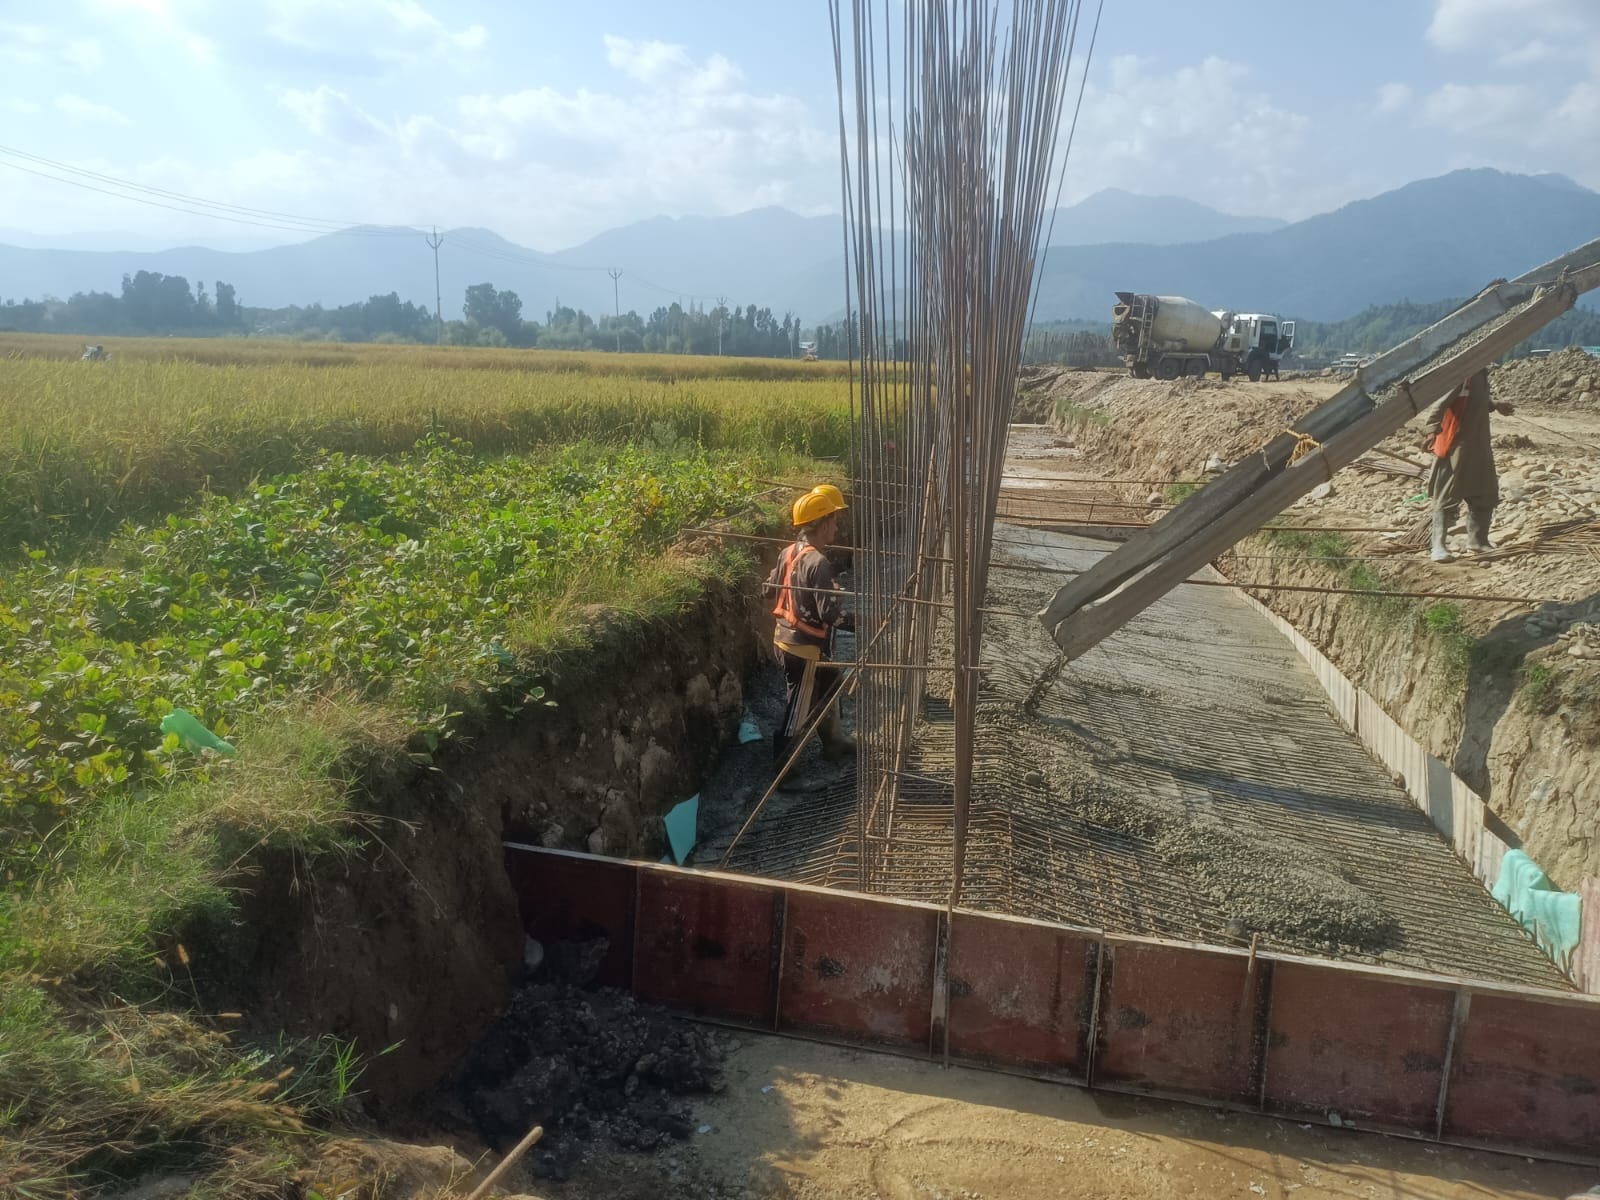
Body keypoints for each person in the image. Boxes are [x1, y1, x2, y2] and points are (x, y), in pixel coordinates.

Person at [763, 485, 856, 766]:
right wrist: (864, 622)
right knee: (797, 710)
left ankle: (834, 743)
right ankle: (784, 770)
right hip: (801, 649)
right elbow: (830, 617)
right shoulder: (819, 563)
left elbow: (767, 590)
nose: (836, 529)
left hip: (789, 638)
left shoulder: (788, 552)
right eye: (834, 522)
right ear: (822, 523)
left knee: (830, 686)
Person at [1421, 367, 1514, 562]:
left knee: (1485, 492)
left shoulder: (1480, 373)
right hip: (1457, 445)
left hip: (1479, 445)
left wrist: (1495, 405)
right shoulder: (1462, 373)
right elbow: (1440, 403)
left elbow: (1473, 400)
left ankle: (1478, 541)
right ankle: (1438, 545)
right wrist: (1431, 430)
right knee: (1446, 495)